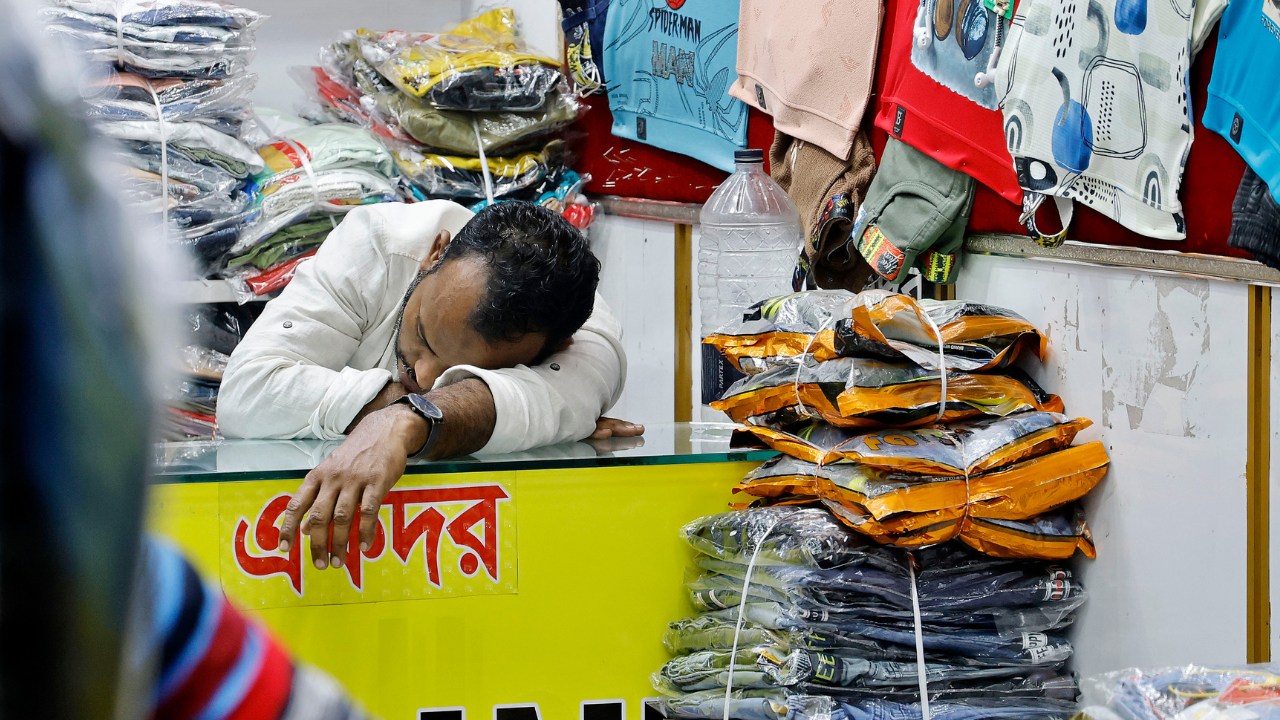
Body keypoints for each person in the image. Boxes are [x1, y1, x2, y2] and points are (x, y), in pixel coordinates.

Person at [217, 199, 641, 572]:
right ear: (435, 253)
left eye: (459, 371)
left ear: (558, 348)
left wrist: (405, 423)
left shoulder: (588, 337)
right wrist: (428, 412)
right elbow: (246, 395)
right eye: (422, 332)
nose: (421, 377)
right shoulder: (377, 243)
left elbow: (573, 396)